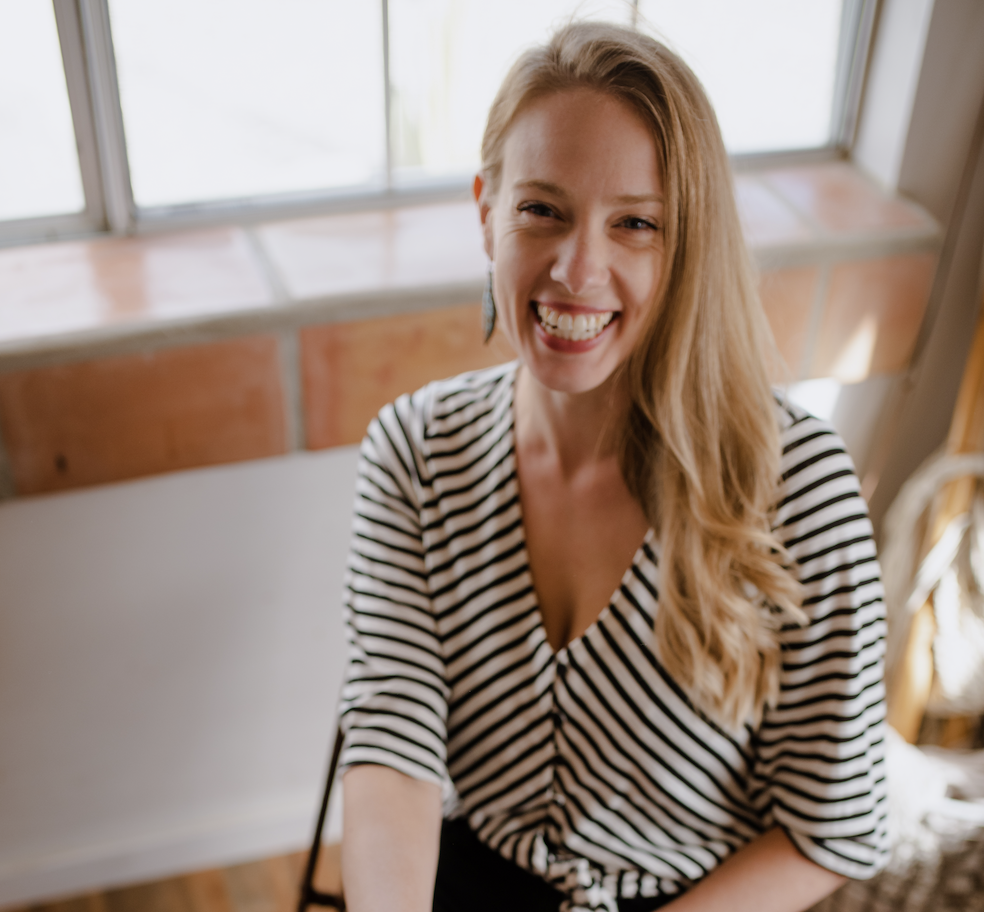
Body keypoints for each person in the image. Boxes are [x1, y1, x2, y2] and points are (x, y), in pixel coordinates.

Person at [337, 21, 888, 912]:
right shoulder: (414, 452)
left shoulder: (798, 488)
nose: (577, 269)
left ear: (687, 246)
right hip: (464, 876)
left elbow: (831, 828)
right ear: (486, 213)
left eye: (635, 223)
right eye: (541, 210)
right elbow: (392, 744)